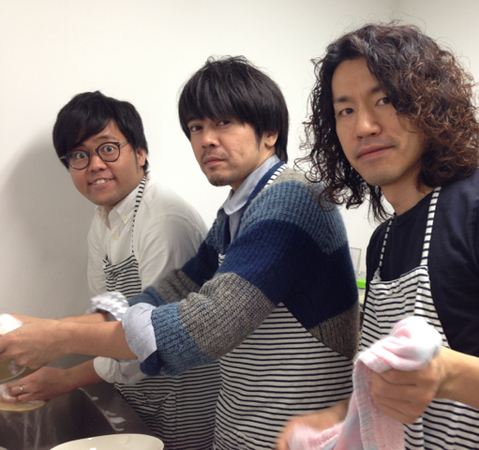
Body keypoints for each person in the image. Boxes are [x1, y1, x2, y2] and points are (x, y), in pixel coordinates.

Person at [0, 57, 360, 450]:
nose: (206, 140)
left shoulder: (291, 199)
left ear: (270, 132)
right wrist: (42, 328)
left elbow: (205, 325)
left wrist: (59, 338)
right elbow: (166, 291)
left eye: (224, 122)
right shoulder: (234, 213)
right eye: (196, 127)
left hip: (293, 434)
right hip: (241, 426)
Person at [276, 22, 479, 450]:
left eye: (385, 99)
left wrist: (448, 376)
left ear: (429, 102)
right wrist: (333, 419)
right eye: (345, 110)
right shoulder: (383, 242)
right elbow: (397, 389)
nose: (364, 126)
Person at [5, 91, 220, 450]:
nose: (94, 165)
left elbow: (153, 337)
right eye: (79, 155)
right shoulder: (103, 220)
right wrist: (33, 326)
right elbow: (114, 314)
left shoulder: (164, 221)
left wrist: (64, 370)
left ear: (140, 153)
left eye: (107, 148)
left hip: (181, 404)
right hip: (137, 396)